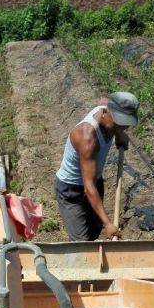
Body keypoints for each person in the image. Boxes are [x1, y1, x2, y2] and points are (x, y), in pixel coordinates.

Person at [55, 92, 139, 241]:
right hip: (72, 190)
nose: (122, 127)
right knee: (81, 242)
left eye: (125, 124)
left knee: (94, 231)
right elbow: (88, 187)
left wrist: (119, 135)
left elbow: (104, 99)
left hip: (95, 181)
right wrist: (108, 223)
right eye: (119, 123)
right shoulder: (87, 137)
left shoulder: (109, 114)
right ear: (105, 112)